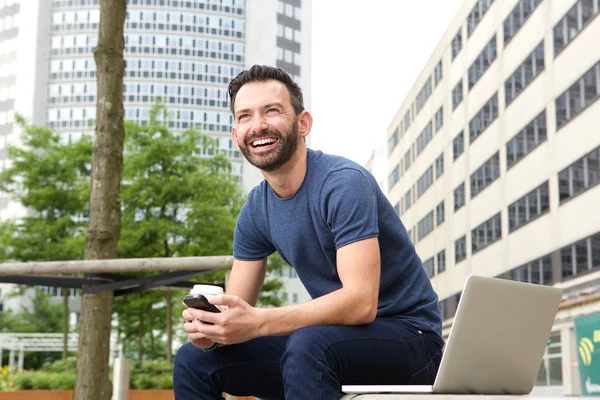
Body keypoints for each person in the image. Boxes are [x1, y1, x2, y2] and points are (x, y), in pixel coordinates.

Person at [173, 65, 444, 399]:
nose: (258, 125)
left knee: (309, 342)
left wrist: (258, 321)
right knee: (194, 360)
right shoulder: (255, 211)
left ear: (303, 123)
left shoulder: (343, 182)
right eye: (245, 116)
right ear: (235, 134)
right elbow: (237, 309)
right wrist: (214, 330)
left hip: (412, 340)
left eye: (272, 111)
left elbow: (360, 304)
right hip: (332, 343)